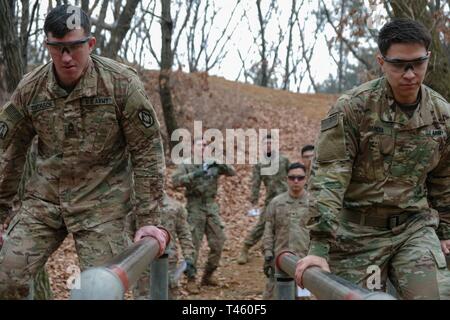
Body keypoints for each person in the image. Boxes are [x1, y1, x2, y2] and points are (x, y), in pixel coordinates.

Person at [0, 5, 168, 299]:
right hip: (45, 201)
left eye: (74, 47)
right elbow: (10, 149)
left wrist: (150, 219)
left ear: (90, 44)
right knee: (6, 277)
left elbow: (147, 151)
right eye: (58, 48)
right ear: (47, 45)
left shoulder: (120, 84)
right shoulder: (31, 88)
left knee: (99, 291)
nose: (66, 58)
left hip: (102, 205)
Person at [295, 18, 450, 300]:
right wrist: (318, 247)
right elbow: (330, 177)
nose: (410, 74)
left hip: (413, 229)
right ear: (381, 61)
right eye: (398, 64)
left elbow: (444, 177)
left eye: (417, 63)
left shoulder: (442, 115)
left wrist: (446, 231)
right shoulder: (353, 108)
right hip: (357, 234)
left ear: (429, 57)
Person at [172, 138, 236, 289]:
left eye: (205, 145)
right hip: (195, 206)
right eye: (200, 145)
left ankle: (208, 275)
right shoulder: (186, 164)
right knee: (194, 244)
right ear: (193, 148)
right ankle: (191, 279)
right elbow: (175, 182)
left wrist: (219, 163)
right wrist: (195, 174)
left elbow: (232, 172)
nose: (203, 148)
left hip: (211, 206)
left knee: (218, 242)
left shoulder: (213, 162)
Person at [237, 134, 290, 265]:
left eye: (271, 143)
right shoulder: (259, 164)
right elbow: (255, 183)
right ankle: (245, 247)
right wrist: (253, 200)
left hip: (287, 198)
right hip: (271, 200)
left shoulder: (284, 160)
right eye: (266, 143)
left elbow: (294, 175)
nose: (268, 146)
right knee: (262, 225)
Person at [134, 193, 195, 299]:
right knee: (143, 296)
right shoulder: (138, 209)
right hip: (143, 264)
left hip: (168, 264)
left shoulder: (175, 207)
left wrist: (189, 257)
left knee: (168, 295)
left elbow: (184, 234)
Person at [262, 162, 310, 299]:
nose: (296, 181)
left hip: (304, 262)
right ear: (286, 179)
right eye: (292, 177)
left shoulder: (313, 203)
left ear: (305, 179)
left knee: (302, 297)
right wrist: (267, 252)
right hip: (279, 261)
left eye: (300, 178)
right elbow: (268, 229)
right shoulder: (276, 202)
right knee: (273, 296)